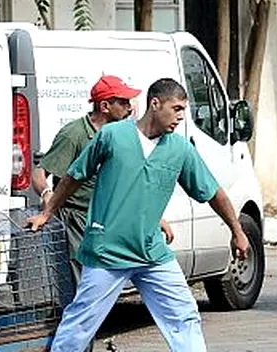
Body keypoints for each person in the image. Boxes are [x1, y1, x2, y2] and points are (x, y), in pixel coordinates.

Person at [26, 77, 249, 352]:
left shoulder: (179, 149)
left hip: (151, 252)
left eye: (183, 110)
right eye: (176, 108)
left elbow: (215, 193)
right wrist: (47, 212)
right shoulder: (112, 136)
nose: (181, 116)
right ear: (155, 104)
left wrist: (237, 231)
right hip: (108, 251)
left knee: (184, 316)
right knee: (79, 323)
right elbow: (73, 176)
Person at [30, 74, 175, 285]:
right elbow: (39, 173)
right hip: (77, 220)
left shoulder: (124, 136)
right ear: (105, 106)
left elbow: (128, 186)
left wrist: (156, 219)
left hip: (109, 221)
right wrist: (46, 196)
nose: (130, 108)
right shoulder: (75, 134)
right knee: (85, 286)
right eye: (123, 102)